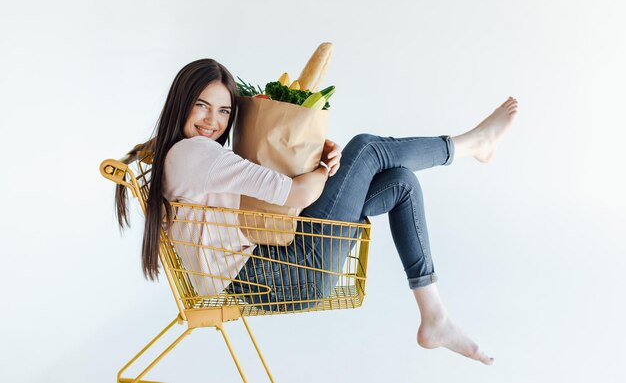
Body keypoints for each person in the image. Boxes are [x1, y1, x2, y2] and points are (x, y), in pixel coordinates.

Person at [115, 58, 518, 365]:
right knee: (367, 148)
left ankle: (435, 317)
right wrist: (328, 167)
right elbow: (291, 193)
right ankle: (470, 145)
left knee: (399, 182)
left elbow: (273, 188)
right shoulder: (193, 153)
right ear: (181, 103)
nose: (213, 121)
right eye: (202, 106)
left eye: (223, 112)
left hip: (271, 265)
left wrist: (325, 166)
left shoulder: (183, 154)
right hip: (278, 273)